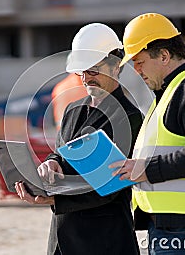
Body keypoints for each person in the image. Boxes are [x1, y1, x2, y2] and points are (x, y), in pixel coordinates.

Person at [110, 13, 185, 254]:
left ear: (164, 55)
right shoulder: (169, 94)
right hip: (175, 227)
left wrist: (147, 169)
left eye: (140, 62)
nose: (136, 70)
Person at [15, 23, 143, 255]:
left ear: (116, 67)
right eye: (81, 71)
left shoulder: (129, 118)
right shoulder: (73, 109)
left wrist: (54, 201)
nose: (85, 79)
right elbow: (62, 152)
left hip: (104, 242)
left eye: (93, 70)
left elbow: (108, 187)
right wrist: (52, 161)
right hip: (62, 239)